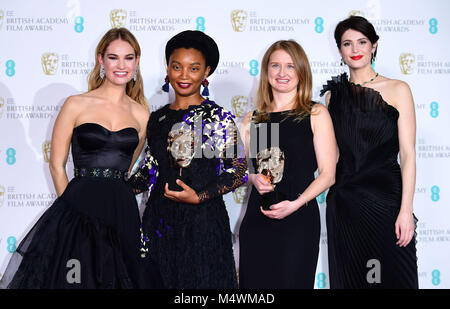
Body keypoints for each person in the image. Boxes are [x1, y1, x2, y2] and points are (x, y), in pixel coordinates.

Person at [0, 28, 162, 289]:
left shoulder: (142, 114)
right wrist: (71, 213)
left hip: (121, 210)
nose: (121, 65)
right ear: (101, 60)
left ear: (137, 61)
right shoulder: (75, 104)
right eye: (113, 58)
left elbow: (128, 167)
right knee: (75, 279)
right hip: (78, 207)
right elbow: (56, 165)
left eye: (128, 58)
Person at [128, 30, 248, 289]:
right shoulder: (157, 119)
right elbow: (149, 171)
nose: (184, 75)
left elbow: (237, 171)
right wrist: (111, 190)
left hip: (204, 223)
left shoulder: (218, 117)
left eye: (194, 68)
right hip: (160, 224)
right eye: (177, 66)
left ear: (206, 73)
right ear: (167, 69)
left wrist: (199, 196)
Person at [320, 16, 419, 288]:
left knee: (393, 278)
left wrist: (406, 210)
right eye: (347, 43)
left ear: (374, 45)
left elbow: (408, 154)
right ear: (339, 50)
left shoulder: (398, 89)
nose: (355, 49)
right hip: (345, 206)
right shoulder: (332, 97)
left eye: (362, 42)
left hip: (387, 202)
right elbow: (333, 156)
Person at [238, 40, 337, 288]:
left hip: (298, 222)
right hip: (258, 221)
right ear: (266, 71)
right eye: (276, 66)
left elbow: (328, 174)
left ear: (301, 71)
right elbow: (235, 170)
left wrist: (297, 203)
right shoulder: (254, 118)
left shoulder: (315, 113)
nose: (282, 73)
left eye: (290, 66)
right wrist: (250, 178)